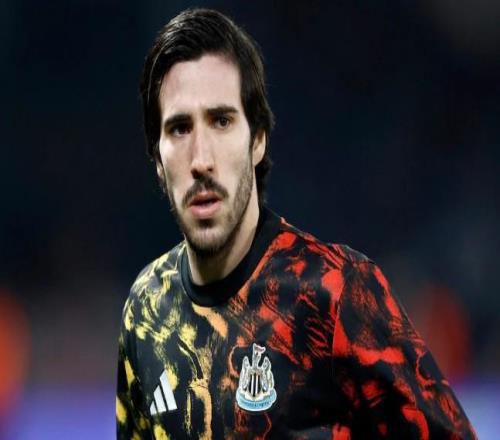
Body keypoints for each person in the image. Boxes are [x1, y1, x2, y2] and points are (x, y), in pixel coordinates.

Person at [116, 8, 476, 439]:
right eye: (179, 128)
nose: (201, 159)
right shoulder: (146, 310)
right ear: (157, 160)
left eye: (222, 121)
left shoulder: (334, 292)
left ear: (258, 140)